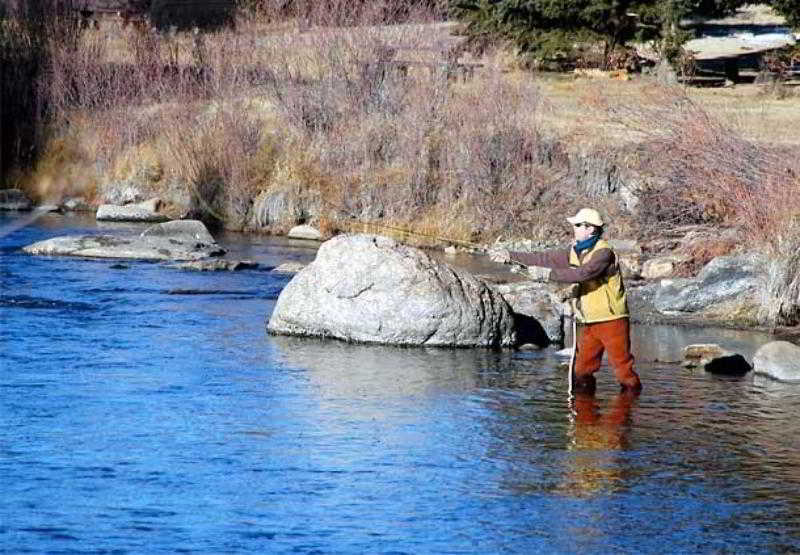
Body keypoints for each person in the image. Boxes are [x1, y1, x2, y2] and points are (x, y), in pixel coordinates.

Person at [489, 208, 642, 394]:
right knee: (581, 372)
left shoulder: (604, 253)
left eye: (578, 225)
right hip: (587, 322)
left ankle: (628, 413)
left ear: (591, 229)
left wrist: (548, 275)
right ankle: (586, 419)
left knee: (623, 370)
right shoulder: (574, 251)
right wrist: (510, 256)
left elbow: (584, 273)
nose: (574, 228)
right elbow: (543, 258)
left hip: (612, 320)